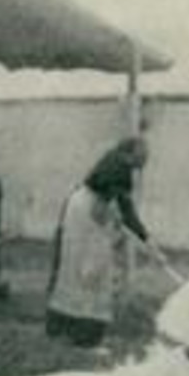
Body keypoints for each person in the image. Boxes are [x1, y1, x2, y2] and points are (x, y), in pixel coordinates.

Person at [44, 136, 150, 349]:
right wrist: (143, 235)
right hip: (88, 215)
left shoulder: (115, 161)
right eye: (143, 155)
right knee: (93, 274)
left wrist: (142, 235)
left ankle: (61, 329)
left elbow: (119, 205)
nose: (146, 160)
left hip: (81, 211)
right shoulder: (120, 166)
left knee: (74, 272)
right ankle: (86, 337)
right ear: (131, 152)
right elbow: (119, 206)